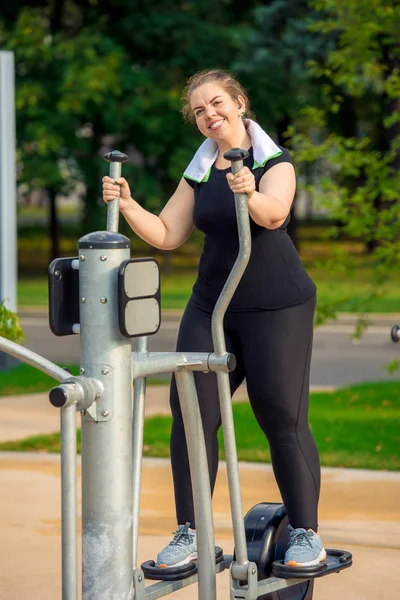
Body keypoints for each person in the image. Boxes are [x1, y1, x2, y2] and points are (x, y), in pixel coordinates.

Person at [102, 69, 326, 570]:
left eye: (217, 102)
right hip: (212, 304)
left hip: (277, 305)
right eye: (199, 110)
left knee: (279, 416)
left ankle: (307, 533)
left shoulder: (272, 161)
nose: (210, 115)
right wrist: (128, 201)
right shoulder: (200, 169)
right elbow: (166, 233)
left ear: (240, 102)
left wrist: (248, 190)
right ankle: (191, 533)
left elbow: (274, 214)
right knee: (191, 414)